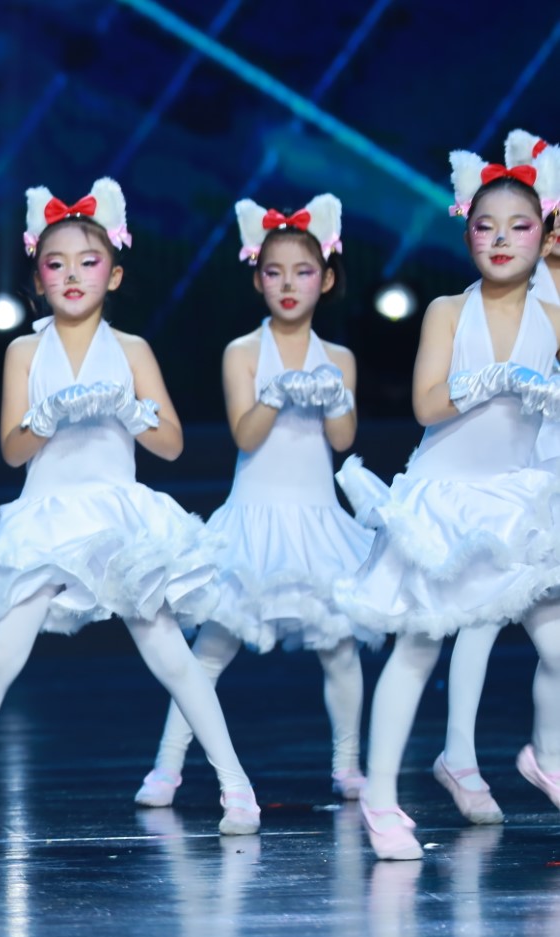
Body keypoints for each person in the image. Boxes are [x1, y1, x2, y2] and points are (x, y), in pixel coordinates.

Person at [0, 179, 261, 840]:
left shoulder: (132, 350)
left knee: (170, 653)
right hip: (48, 516)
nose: (72, 275)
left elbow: (171, 444)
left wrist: (131, 412)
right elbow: (12, 451)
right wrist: (46, 417)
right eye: (56, 264)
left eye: (88, 262)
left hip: (118, 518)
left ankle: (236, 785)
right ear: (38, 278)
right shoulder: (24, 351)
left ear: (114, 275)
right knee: (1, 653)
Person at [334, 148, 560, 859]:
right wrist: (487, 381)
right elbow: (428, 404)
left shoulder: (555, 313)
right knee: (419, 647)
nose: (501, 239)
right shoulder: (446, 310)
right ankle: (380, 800)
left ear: (544, 233)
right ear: (467, 234)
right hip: (446, 501)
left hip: (518, 500)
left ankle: (547, 755)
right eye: (486, 226)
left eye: (519, 226)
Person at [134, 194, 376, 809]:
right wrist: (278, 393)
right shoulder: (242, 352)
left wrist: (334, 396)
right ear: (257, 279)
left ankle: (348, 764)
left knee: (339, 648)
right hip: (253, 519)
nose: (288, 285)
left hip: (318, 522)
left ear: (326, 279)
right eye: (275, 272)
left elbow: (343, 441)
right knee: (211, 650)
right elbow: (245, 435)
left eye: (303, 272)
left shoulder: (340, 358)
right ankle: (167, 767)